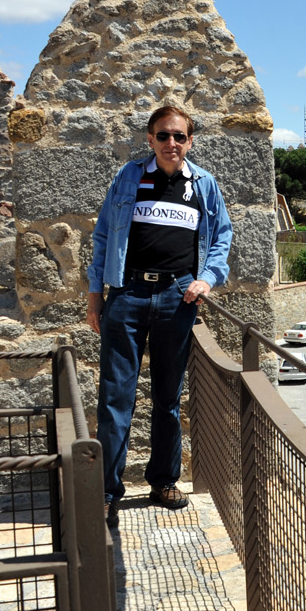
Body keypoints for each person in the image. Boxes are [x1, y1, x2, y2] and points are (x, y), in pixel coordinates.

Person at [87, 105, 232, 527]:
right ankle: (107, 492)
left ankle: (164, 481)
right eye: (164, 136)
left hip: (176, 299)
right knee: (115, 400)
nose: (172, 143)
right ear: (150, 139)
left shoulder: (203, 185)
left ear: (190, 141)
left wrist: (206, 279)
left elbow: (222, 237)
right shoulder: (128, 177)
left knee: (169, 398)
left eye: (180, 136)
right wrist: (95, 296)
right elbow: (101, 238)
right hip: (127, 294)